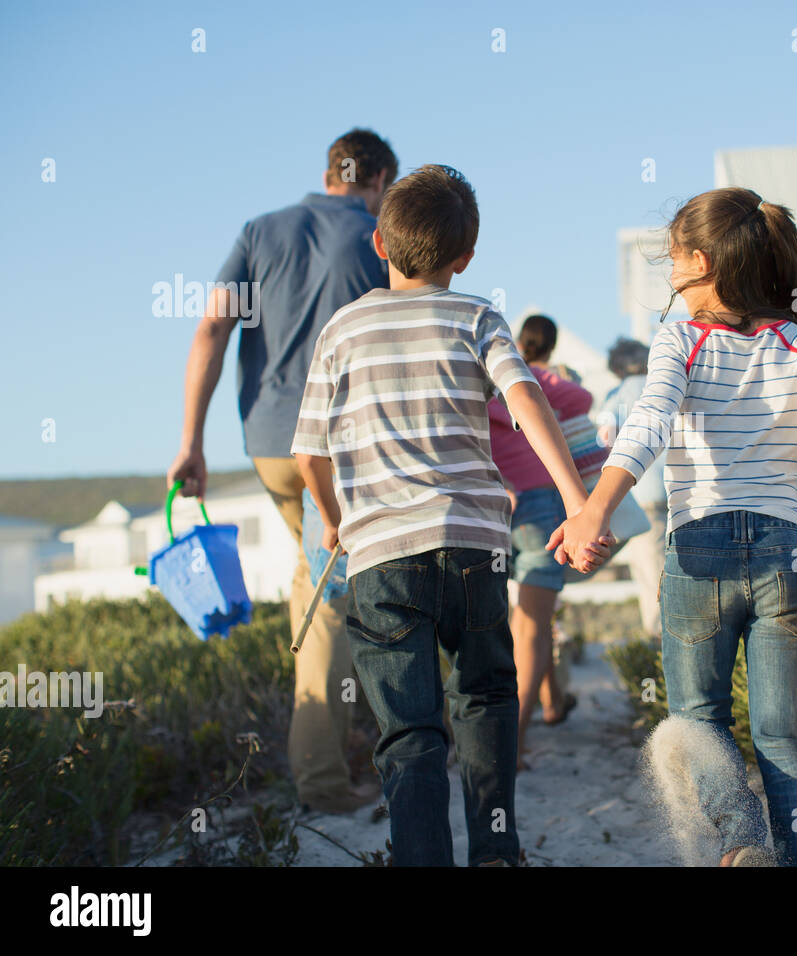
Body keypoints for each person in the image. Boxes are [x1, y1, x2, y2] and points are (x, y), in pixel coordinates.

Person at [292, 165, 609, 867]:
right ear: (465, 258)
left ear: (379, 243)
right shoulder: (477, 317)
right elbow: (527, 405)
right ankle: (495, 848)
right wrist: (578, 500)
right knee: (488, 699)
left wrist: (335, 517)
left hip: (381, 559)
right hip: (474, 547)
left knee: (408, 733)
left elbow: (309, 454)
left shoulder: (343, 329)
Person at [549, 187, 797, 867]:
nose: (668, 274)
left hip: (699, 548)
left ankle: (742, 840)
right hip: (787, 550)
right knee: (785, 743)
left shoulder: (682, 337)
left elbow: (649, 424)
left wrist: (592, 510)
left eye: (671, 260)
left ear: (700, 261)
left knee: (700, 722)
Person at [166, 128, 398, 814]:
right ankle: (326, 783)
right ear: (379, 178)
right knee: (336, 599)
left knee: (319, 581)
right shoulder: (378, 237)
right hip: (345, 444)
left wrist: (191, 441)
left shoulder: (260, 231)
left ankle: (338, 759)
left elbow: (211, 329)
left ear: (331, 172)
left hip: (269, 442)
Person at [488, 314, 592, 768]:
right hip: (539, 500)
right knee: (533, 622)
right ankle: (512, 742)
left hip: (486, 501)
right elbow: (583, 398)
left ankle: (537, 706)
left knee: (507, 621)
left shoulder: (482, 373)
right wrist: (553, 378)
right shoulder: (535, 378)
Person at [596, 337, 667, 636]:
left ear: (616, 367)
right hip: (679, 492)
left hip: (642, 495)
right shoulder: (664, 386)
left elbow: (604, 437)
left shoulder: (619, 393)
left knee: (651, 576)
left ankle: (660, 647)